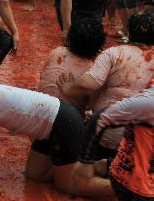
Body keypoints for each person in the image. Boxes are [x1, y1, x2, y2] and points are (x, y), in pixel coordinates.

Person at [72, 85, 154, 201]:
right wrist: (85, 161)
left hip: (145, 178)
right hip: (136, 184)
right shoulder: (150, 102)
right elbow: (100, 117)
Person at [0, 83, 113, 197]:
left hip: (64, 122)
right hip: (52, 122)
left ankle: (124, 188)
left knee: (68, 186)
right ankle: (92, 166)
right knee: (36, 174)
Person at [60, 11, 154, 156]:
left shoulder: (116, 53)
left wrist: (68, 88)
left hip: (107, 131)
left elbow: (89, 83)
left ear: (128, 31)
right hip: (143, 141)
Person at [38, 19, 105, 114]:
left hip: (38, 110)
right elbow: (93, 105)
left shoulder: (57, 52)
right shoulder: (93, 70)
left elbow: (42, 77)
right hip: (67, 121)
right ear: (99, 45)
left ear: (71, 37)